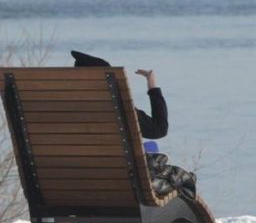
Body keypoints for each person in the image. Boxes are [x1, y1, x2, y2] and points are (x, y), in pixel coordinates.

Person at [71, 50, 196, 199]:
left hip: (72, 179)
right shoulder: (119, 109)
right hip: (121, 181)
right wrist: (152, 85)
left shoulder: (58, 108)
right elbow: (160, 129)